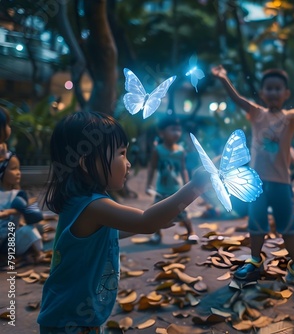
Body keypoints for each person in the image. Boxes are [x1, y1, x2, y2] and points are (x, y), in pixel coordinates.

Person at [37, 111, 209, 333]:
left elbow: (107, 234)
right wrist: (194, 187)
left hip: (72, 313)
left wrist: (154, 223)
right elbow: (145, 221)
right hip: (69, 319)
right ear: (86, 164)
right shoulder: (93, 206)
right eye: (121, 153)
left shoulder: (81, 202)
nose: (128, 163)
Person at [211, 65, 294, 292]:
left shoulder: (290, 118)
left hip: (281, 182)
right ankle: (255, 262)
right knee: (256, 224)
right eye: (268, 88)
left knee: (288, 226)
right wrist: (223, 78)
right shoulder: (256, 113)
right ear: (262, 93)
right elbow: (237, 98)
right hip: (256, 183)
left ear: (286, 93)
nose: (273, 92)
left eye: (277, 88)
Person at [145, 116, 197, 244]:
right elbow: (152, 167)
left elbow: (183, 169)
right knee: (157, 213)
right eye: (173, 130)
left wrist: (187, 184)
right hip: (161, 189)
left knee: (182, 212)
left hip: (176, 189)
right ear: (161, 132)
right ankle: (157, 234)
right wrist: (148, 184)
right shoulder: (158, 150)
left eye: (178, 130)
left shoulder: (181, 151)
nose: (176, 133)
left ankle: (191, 232)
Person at [0, 152, 45, 263]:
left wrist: (10, 212)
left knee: (28, 230)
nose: (18, 173)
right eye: (14, 169)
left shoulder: (19, 195)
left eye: (19, 169)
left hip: (9, 242)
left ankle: (39, 253)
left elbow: (34, 215)